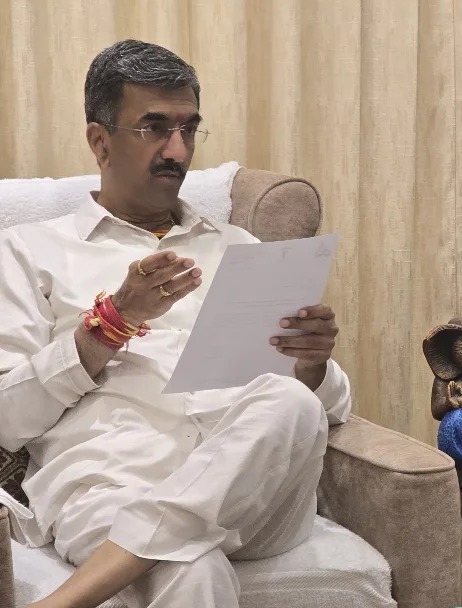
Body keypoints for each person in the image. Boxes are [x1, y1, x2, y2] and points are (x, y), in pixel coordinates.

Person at [0, 40, 351, 608]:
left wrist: (312, 364)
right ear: (100, 141)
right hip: (107, 485)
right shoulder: (27, 251)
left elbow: (328, 410)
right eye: (155, 128)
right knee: (193, 570)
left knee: (293, 401)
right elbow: (6, 419)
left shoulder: (240, 247)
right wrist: (111, 323)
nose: (178, 150)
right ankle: (128, 562)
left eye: (189, 128)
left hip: (253, 499)